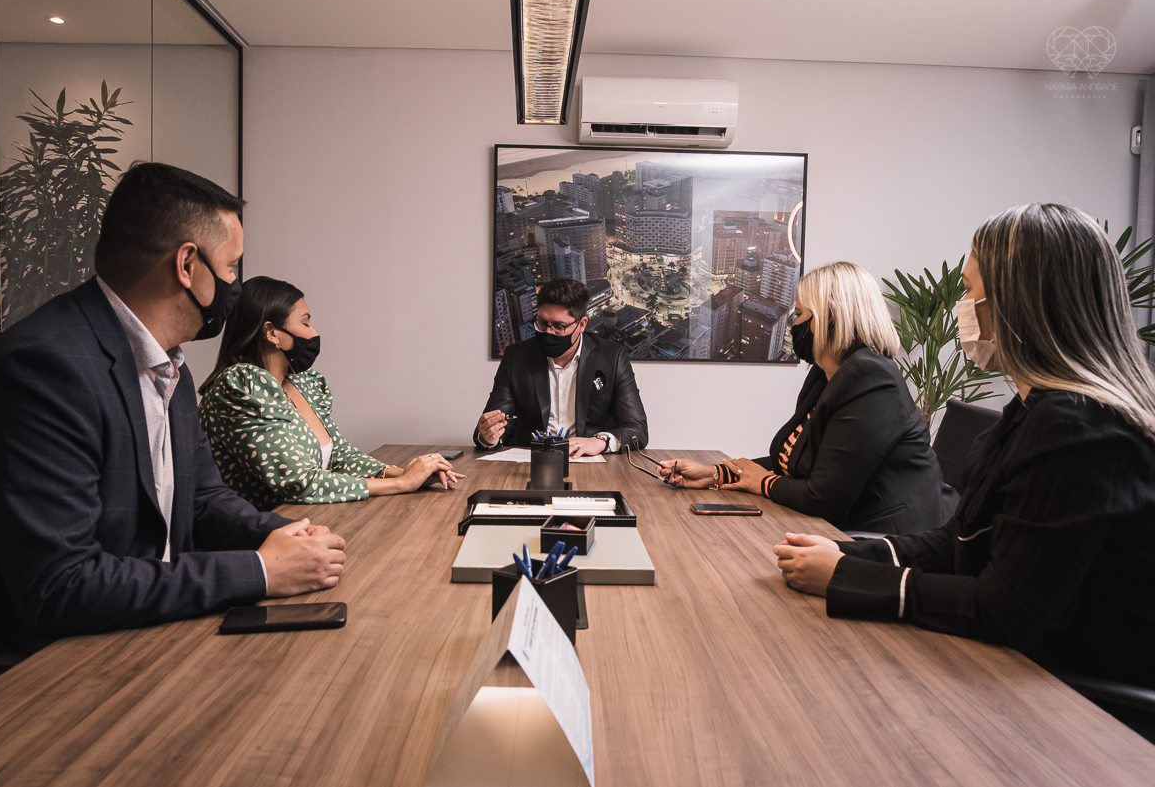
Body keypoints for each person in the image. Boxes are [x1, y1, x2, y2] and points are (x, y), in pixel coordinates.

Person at [0, 162, 346, 655]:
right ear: (187, 265)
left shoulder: (166, 364)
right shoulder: (40, 371)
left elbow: (204, 500)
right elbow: (61, 587)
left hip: (148, 633)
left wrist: (292, 536)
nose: (235, 286)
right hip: (41, 676)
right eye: (230, 268)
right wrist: (263, 569)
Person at [774, 204, 1155, 689]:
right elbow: (958, 540)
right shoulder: (1033, 411)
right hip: (1011, 669)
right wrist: (845, 554)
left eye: (971, 289)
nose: (963, 305)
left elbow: (1007, 610)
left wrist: (846, 577)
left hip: (1068, 701)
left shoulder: (1078, 429)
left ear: (1018, 301)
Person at [659, 261, 952, 534]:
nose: (794, 325)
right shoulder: (825, 375)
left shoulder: (870, 378)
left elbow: (824, 497)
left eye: (800, 314)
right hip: (831, 527)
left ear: (831, 317)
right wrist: (714, 475)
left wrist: (761, 483)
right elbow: (790, 461)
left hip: (885, 539)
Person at [199, 276, 462, 511]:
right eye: (305, 323)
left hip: (309, 523)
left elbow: (341, 457)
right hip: (260, 542)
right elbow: (298, 482)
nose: (314, 333)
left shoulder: (300, 384)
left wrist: (403, 473)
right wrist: (402, 483)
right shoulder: (241, 385)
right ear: (271, 333)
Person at [474, 278, 649, 458]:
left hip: (590, 465)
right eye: (542, 323)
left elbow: (637, 429)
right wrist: (488, 437)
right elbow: (493, 427)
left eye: (559, 326)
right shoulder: (516, 357)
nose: (548, 332)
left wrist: (599, 441)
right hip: (530, 463)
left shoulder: (612, 357)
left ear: (581, 325)